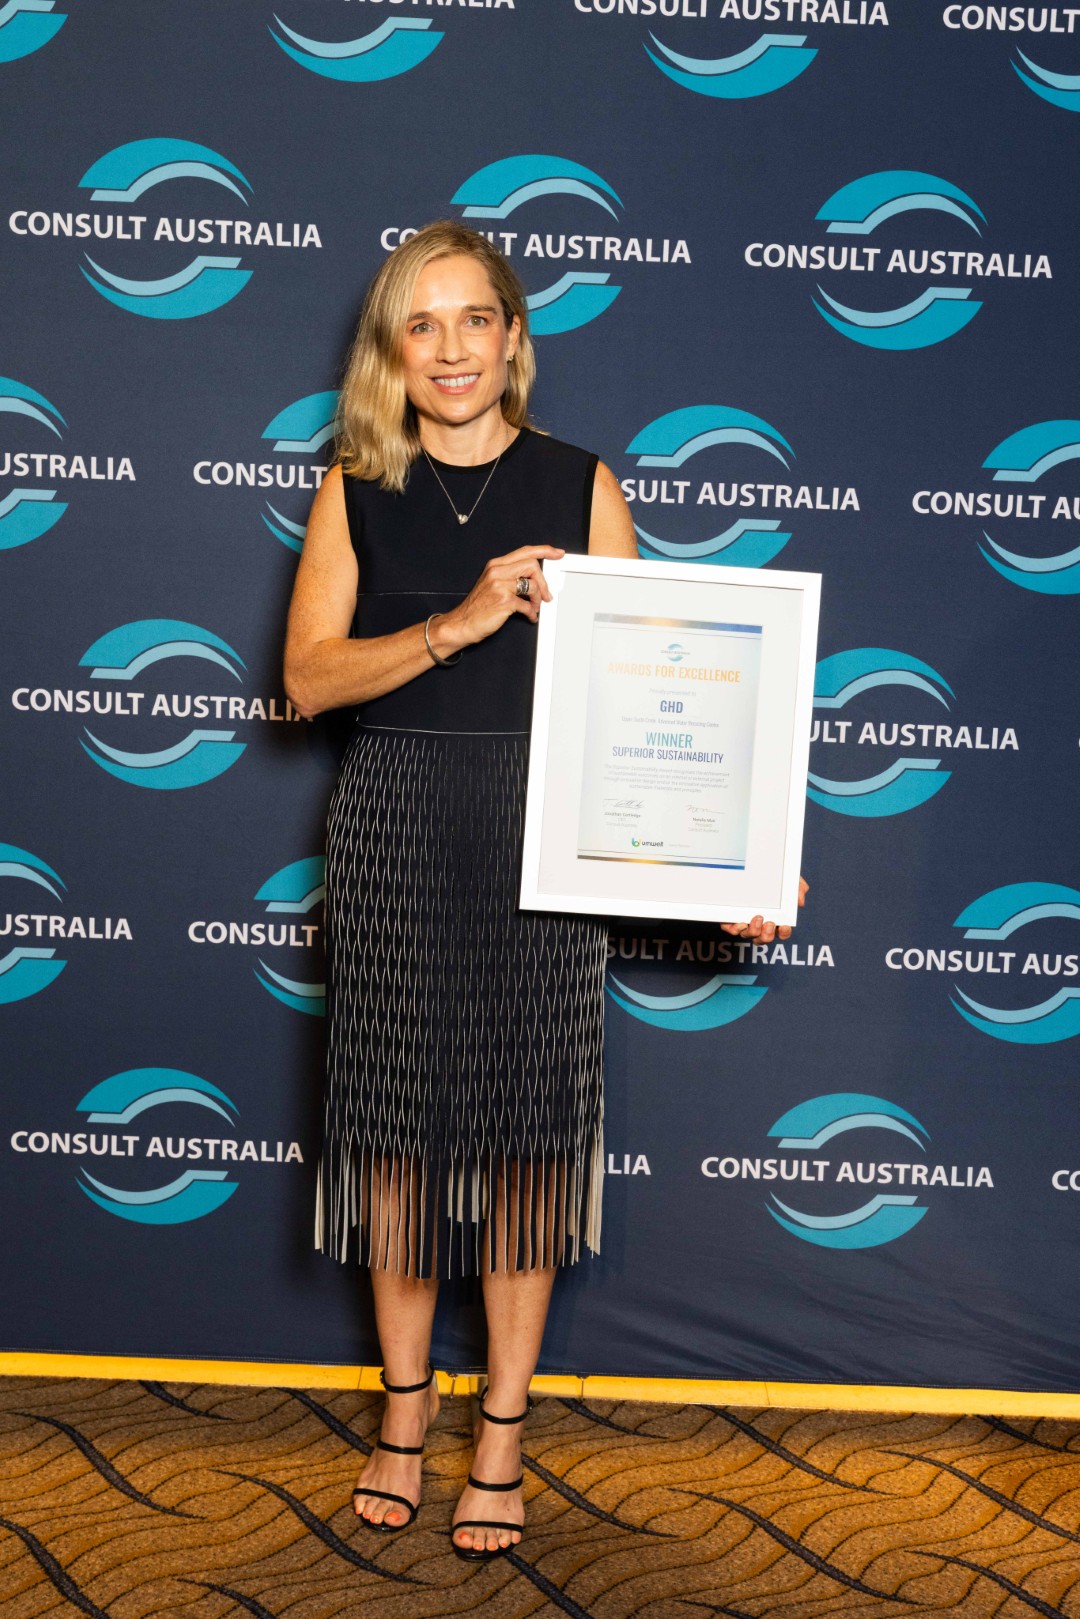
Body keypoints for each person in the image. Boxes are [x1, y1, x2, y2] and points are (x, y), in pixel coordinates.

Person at [283, 221, 804, 1561]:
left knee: (526, 1151)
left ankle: (502, 1436)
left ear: (514, 338)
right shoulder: (355, 488)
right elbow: (308, 680)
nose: (451, 348)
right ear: (392, 353)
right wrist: (456, 623)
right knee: (396, 1149)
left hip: (546, 843)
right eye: (422, 324)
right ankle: (406, 1418)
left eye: (475, 319)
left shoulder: (582, 484)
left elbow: (657, 704)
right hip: (398, 833)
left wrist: (732, 859)